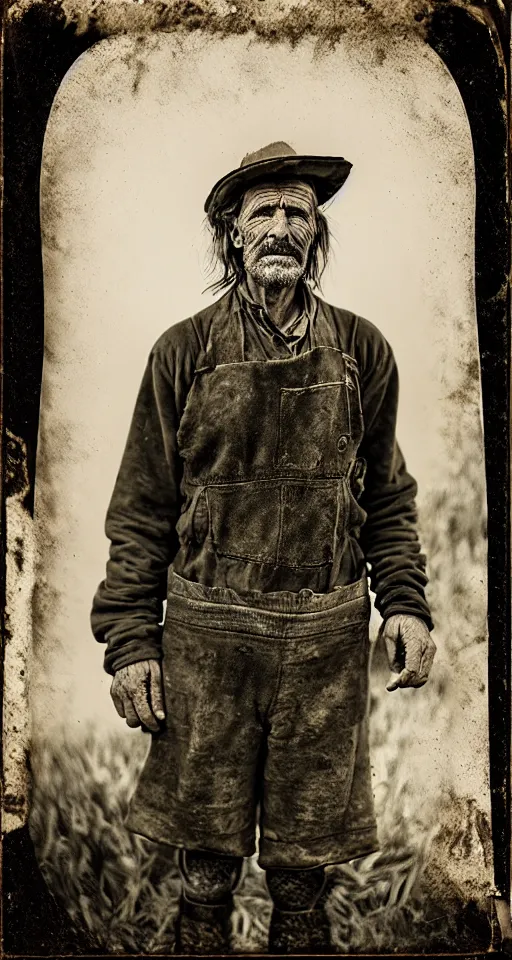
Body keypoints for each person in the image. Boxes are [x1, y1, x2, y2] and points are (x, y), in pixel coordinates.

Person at [91, 141, 436, 955]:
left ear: (316, 235)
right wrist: (132, 644)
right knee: (205, 872)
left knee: (302, 876)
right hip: (208, 643)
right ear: (231, 233)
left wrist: (407, 605)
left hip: (322, 642)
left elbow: (385, 496)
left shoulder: (363, 351)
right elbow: (141, 509)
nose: (281, 227)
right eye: (263, 213)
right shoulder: (184, 352)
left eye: (298, 213)